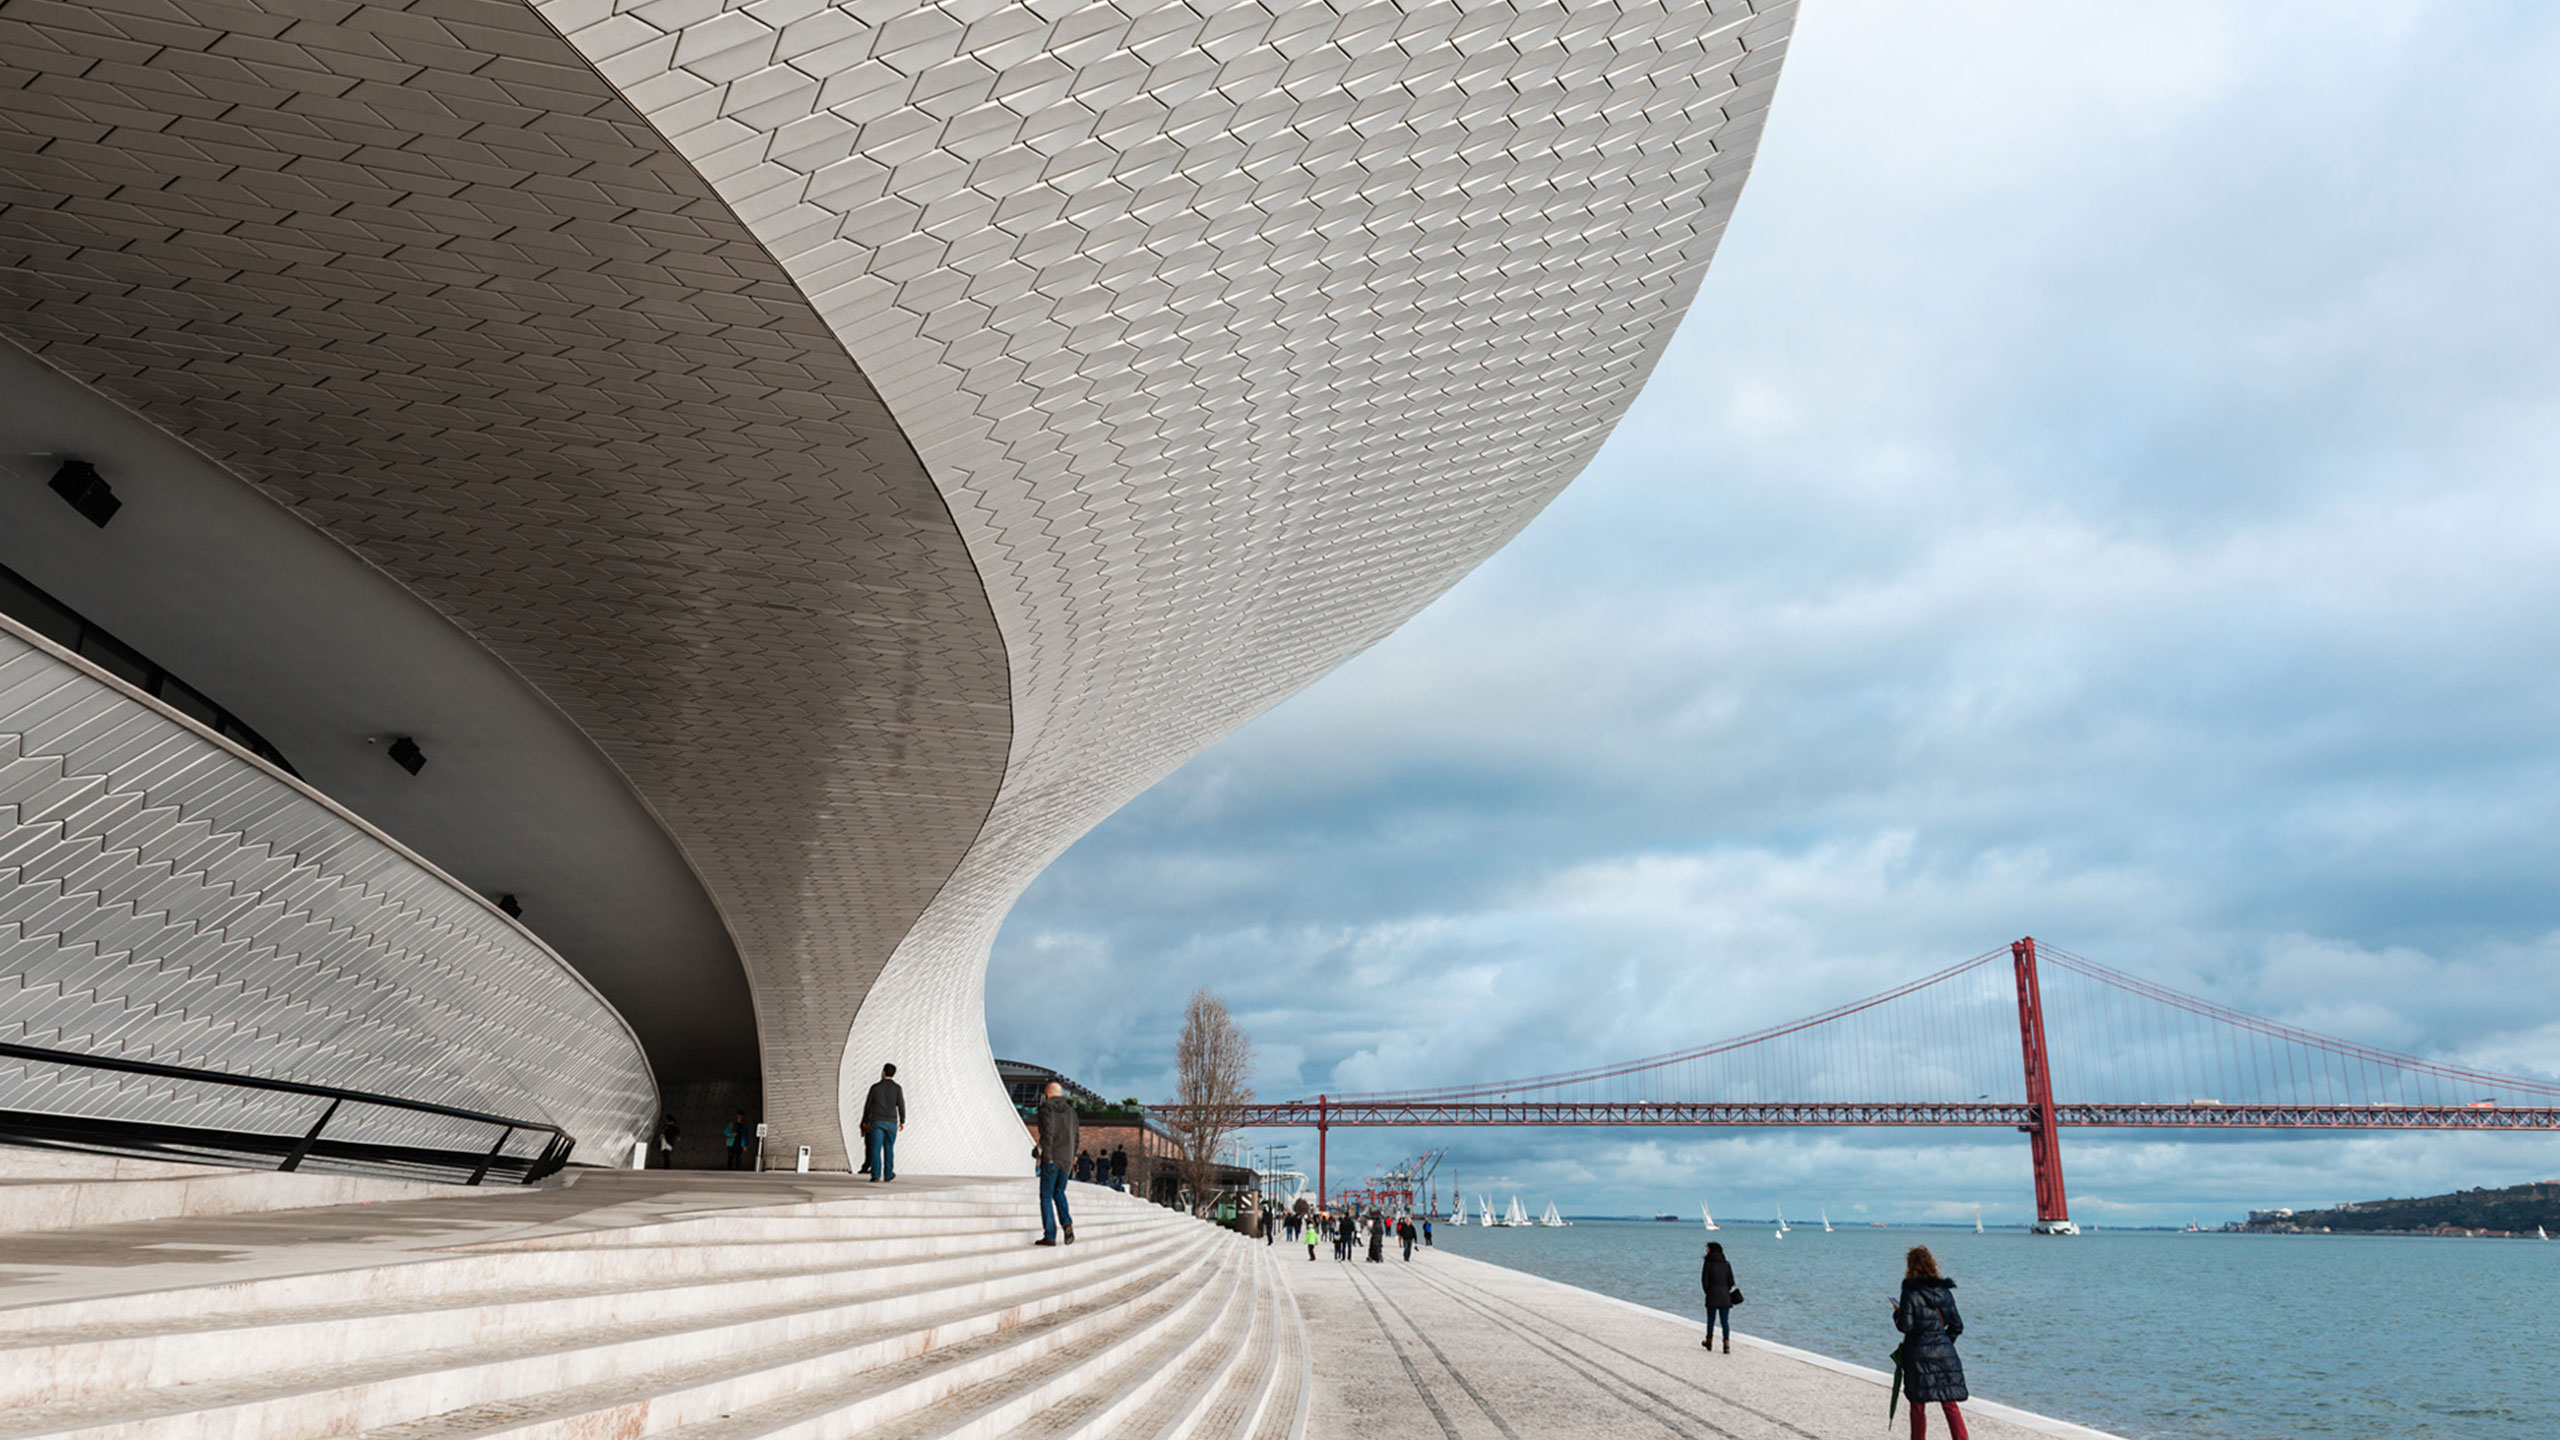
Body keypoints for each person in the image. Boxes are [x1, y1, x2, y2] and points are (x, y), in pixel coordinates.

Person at [1893, 1246, 1971, 1440]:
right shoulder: (1945, 1292)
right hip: (1945, 1354)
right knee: (1950, 1403)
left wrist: (1896, 1313)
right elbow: (1957, 1326)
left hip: (1918, 1354)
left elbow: (1906, 1326)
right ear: (1932, 1264)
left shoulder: (1910, 1291)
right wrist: (1943, 1343)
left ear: (1911, 1267)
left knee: (1918, 1404)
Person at [1033, 1080, 1078, 1247]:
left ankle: (1050, 1235)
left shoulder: (1047, 1108)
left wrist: (1048, 1157)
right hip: (1066, 1160)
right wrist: (1072, 1157)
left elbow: (1048, 1133)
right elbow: (1076, 1137)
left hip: (1052, 1159)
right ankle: (1066, 1223)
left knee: (1046, 1196)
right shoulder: (1072, 1113)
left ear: (1048, 1094)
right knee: (1059, 1193)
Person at [861, 1064, 904, 1181]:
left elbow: (868, 1105)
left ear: (884, 1072)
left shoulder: (875, 1088)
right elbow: (901, 1105)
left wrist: (865, 1120)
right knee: (889, 1148)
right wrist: (902, 1120)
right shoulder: (897, 1088)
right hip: (891, 1122)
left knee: (876, 1148)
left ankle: (875, 1175)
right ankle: (888, 1174)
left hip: (877, 1121)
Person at [1700, 1240, 1737, 1352]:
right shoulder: (1726, 1264)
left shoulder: (1708, 1263)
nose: (1706, 1250)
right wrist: (1726, 1290)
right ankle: (1726, 1344)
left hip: (1712, 1295)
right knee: (1724, 1321)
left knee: (1711, 1320)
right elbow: (1731, 1281)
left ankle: (1709, 1342)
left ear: (1711, 1250)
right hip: (1725, 1296)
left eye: (1708, 1248)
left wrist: (1708, 1291)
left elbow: (1704, 1281)